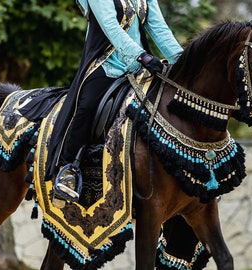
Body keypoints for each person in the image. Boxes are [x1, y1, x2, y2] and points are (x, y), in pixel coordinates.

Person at [47, 0, 183, 208]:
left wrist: (183, 62)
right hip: (107, 63)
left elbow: (159, 27)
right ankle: (67, 169)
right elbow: (110, 25)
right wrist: (141, 56)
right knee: (86, 106)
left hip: (141, 67)